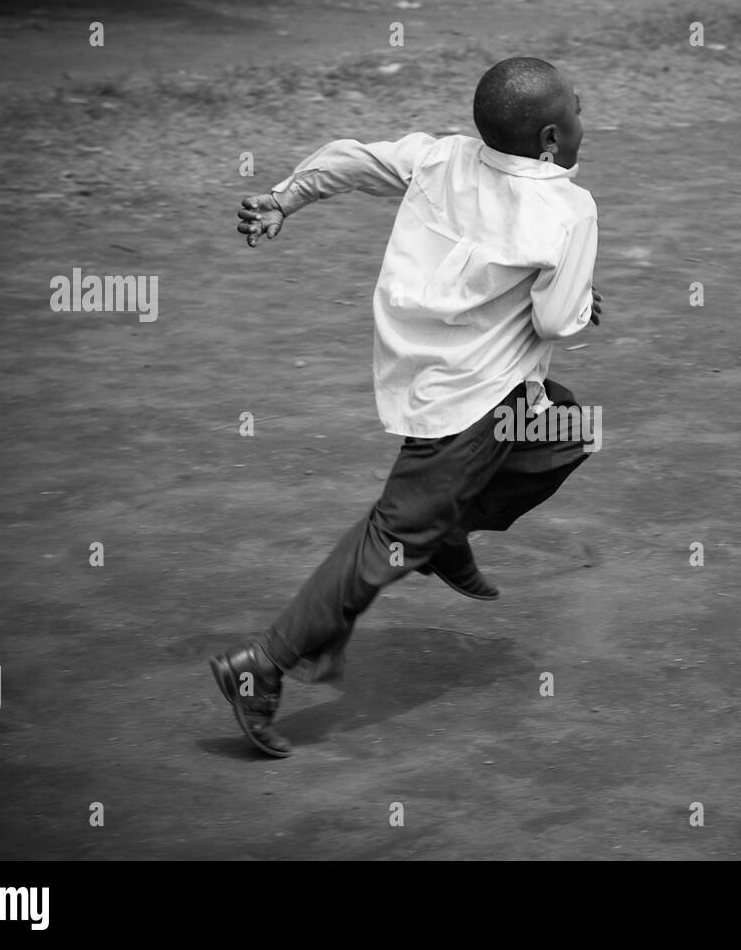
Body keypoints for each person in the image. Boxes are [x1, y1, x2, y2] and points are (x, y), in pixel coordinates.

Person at [211, 57, 602, 757]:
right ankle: (261, 667)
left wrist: (284, 198)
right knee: (387, 540)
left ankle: (443, 532)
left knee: (566, 431)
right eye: (578, 112)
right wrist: (576, 300)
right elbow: (554, 321)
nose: (585, 121)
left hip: (430, 376)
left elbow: (353, 160)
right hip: (468, 407)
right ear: (550, 137)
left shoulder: (442, 158)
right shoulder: (569, 210)